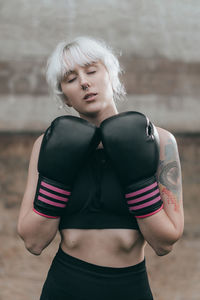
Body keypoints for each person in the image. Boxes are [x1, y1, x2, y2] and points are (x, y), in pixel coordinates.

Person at [17, 36, 184, 300]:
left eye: (92, 71)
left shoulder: (159, 141)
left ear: (112, 76)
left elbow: (164, 243)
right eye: (71, 79)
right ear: (66, 98)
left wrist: (137, 180)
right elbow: (33, 242)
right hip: (65, 285)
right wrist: (57, 179)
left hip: (128, 288)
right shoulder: (47, 145)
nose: (84, 82)